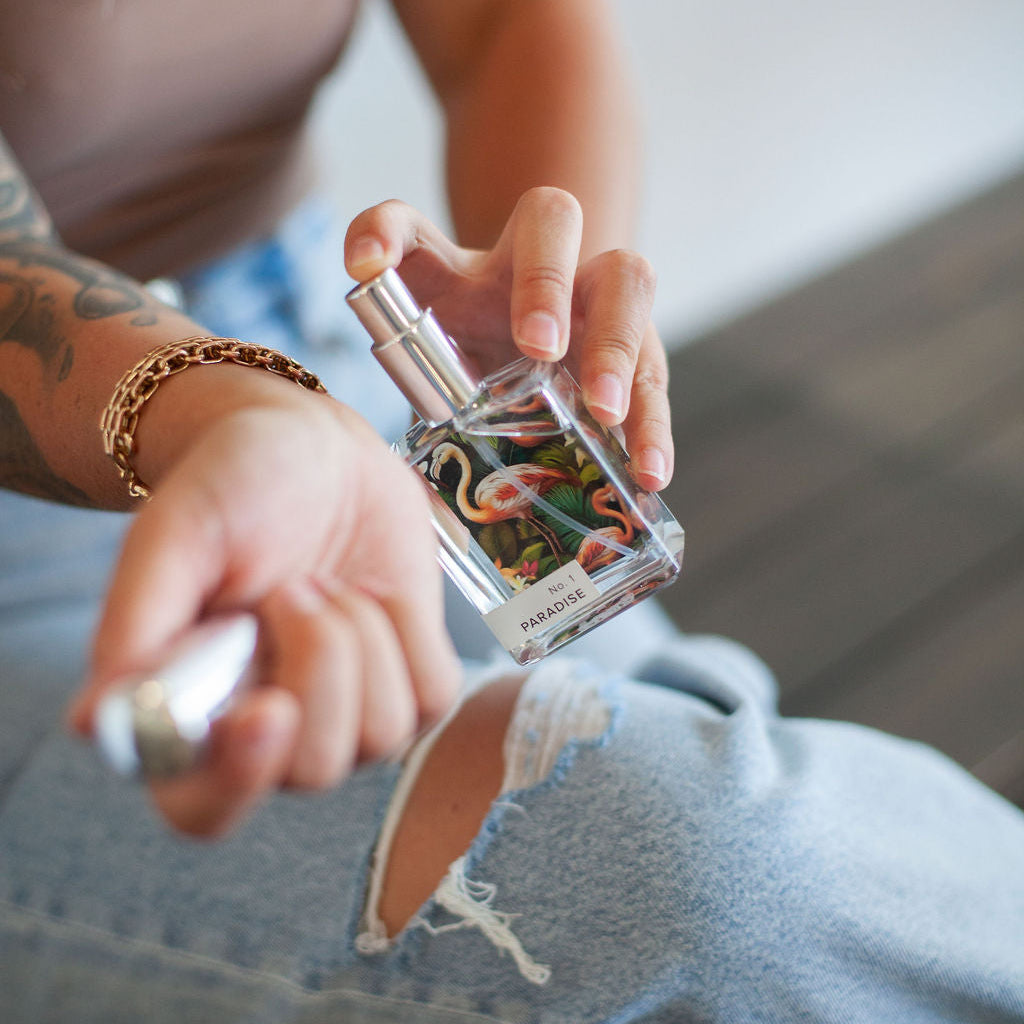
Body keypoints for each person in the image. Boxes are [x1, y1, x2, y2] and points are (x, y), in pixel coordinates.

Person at [0, 2, 1022, 1021]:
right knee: (715, 884)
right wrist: (231, 410)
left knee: (714, 747)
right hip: (55, 493)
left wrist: (547, 298)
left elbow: (502, 22)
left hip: (323, 364)